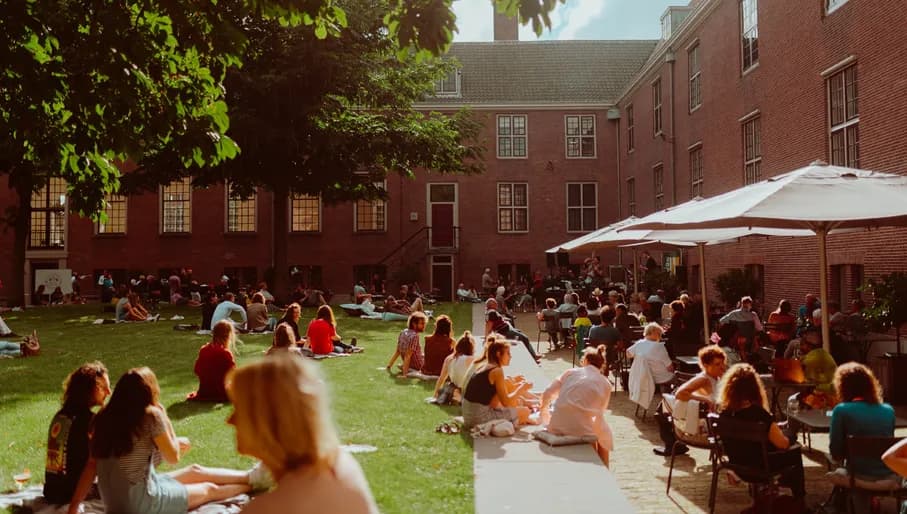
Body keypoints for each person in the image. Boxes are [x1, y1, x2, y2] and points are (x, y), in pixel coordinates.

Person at [78, 367, 252, 514]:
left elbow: (109, 462)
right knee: (209, 489)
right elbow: (173, 458)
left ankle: (249, 477)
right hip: (140, 503)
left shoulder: (103, 418)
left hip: (115, 502)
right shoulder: (150, 416)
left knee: (194, 470)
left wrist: (73, 508)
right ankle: (252, 485)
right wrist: (163, 415)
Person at [226, 356, 379, 514]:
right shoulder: (338, 463)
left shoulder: (267, 508)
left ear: (268, 420)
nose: (229, 420)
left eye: (238, 409)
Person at [717, 363, 806, 507]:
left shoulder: (724, 413)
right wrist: (789, 438)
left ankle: (773, 489)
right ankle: (799, 498)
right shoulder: (759, 414)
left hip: (737, 465)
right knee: (794, 449)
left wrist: (773, 428)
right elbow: (782, 445)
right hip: (761, 467)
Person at [829, 362, 897, 513]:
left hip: (857, 475)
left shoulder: (841, 410)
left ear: (842, 386)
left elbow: (836, 450)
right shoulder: (888, 410)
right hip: (887, 473)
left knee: (836, 467)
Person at [43, 362, 110, 506]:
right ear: (90, 389)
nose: (108, 392)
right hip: (71, 493)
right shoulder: (90, 421)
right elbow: (102, 462)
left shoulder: (60, 416)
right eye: (103, 388)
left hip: (52, 491)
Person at [540, 346, 614, 465]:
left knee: (596, 429)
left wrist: (544, 412)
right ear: (601, 365)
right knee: (603, 434)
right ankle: (604, 467)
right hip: (580, 428)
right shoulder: (605, 383)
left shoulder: (571, 372)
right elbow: (600, 411)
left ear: (585, 361)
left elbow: (548, 392)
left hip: (557, 424)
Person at [653, 346, 727, 457]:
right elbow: (680, 393)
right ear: (706, 366)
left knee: (662, 408)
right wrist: (704, 399)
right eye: (717, 364)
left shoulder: (715, 377)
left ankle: (672, 444)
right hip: (710, 419)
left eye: (722, 363)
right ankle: (672, 443)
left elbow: (680, 393)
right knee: (663, 407)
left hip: (712, 421)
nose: (721, 366)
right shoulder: (704, 378)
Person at [461, 337, 537, 429]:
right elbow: (507, 402)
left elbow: (494, 402)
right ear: (498, 354)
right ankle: (517, 419)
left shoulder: (484, 367)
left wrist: (513, 385)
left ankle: (516, 417)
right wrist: (522, 388)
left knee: (508, 388)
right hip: (479, 419)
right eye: (508, 353)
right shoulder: (497, 371)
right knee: (525, 412)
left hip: (468, 417)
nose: (510, 356)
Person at [627, 323, 675, 412]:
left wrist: (640, 359)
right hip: (661, 377)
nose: (660, 336)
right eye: (660, 334)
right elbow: (669, 367)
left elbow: (628, 353)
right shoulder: (659, 347)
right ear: (655, 333)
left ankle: (665, 405)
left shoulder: (639, 344)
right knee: (679, 379)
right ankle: (669, 406)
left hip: (644, 377)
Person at [187, 321, 237, 402]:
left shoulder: (204, 350)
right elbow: (234, 374)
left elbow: (197, 370)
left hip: (205, 391)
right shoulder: (225, 353)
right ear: (228, 336)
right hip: (221, 391)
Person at [432, 332, 476, 404]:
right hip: (466, 390)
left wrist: (435, 395)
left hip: (454, 387)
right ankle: (460, 397)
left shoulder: (449, 358)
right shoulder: (470, 359)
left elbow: (441, 378)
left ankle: (456, 395)